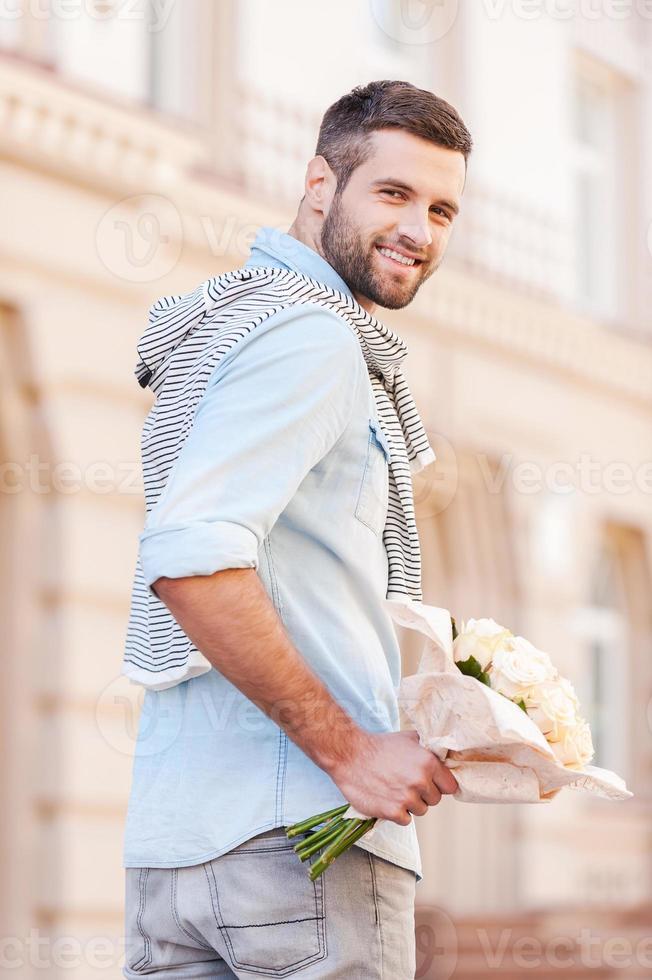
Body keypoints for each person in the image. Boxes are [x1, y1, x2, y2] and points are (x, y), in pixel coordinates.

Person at [122, 79, 472, 979]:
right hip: (298, 854)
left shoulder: (228, 324)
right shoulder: (310, 337)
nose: (419, 232)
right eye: (393, 194)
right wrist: (348, 749)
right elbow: (192, 557)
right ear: (320, 183)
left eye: (442, 209)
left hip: (178, 851)